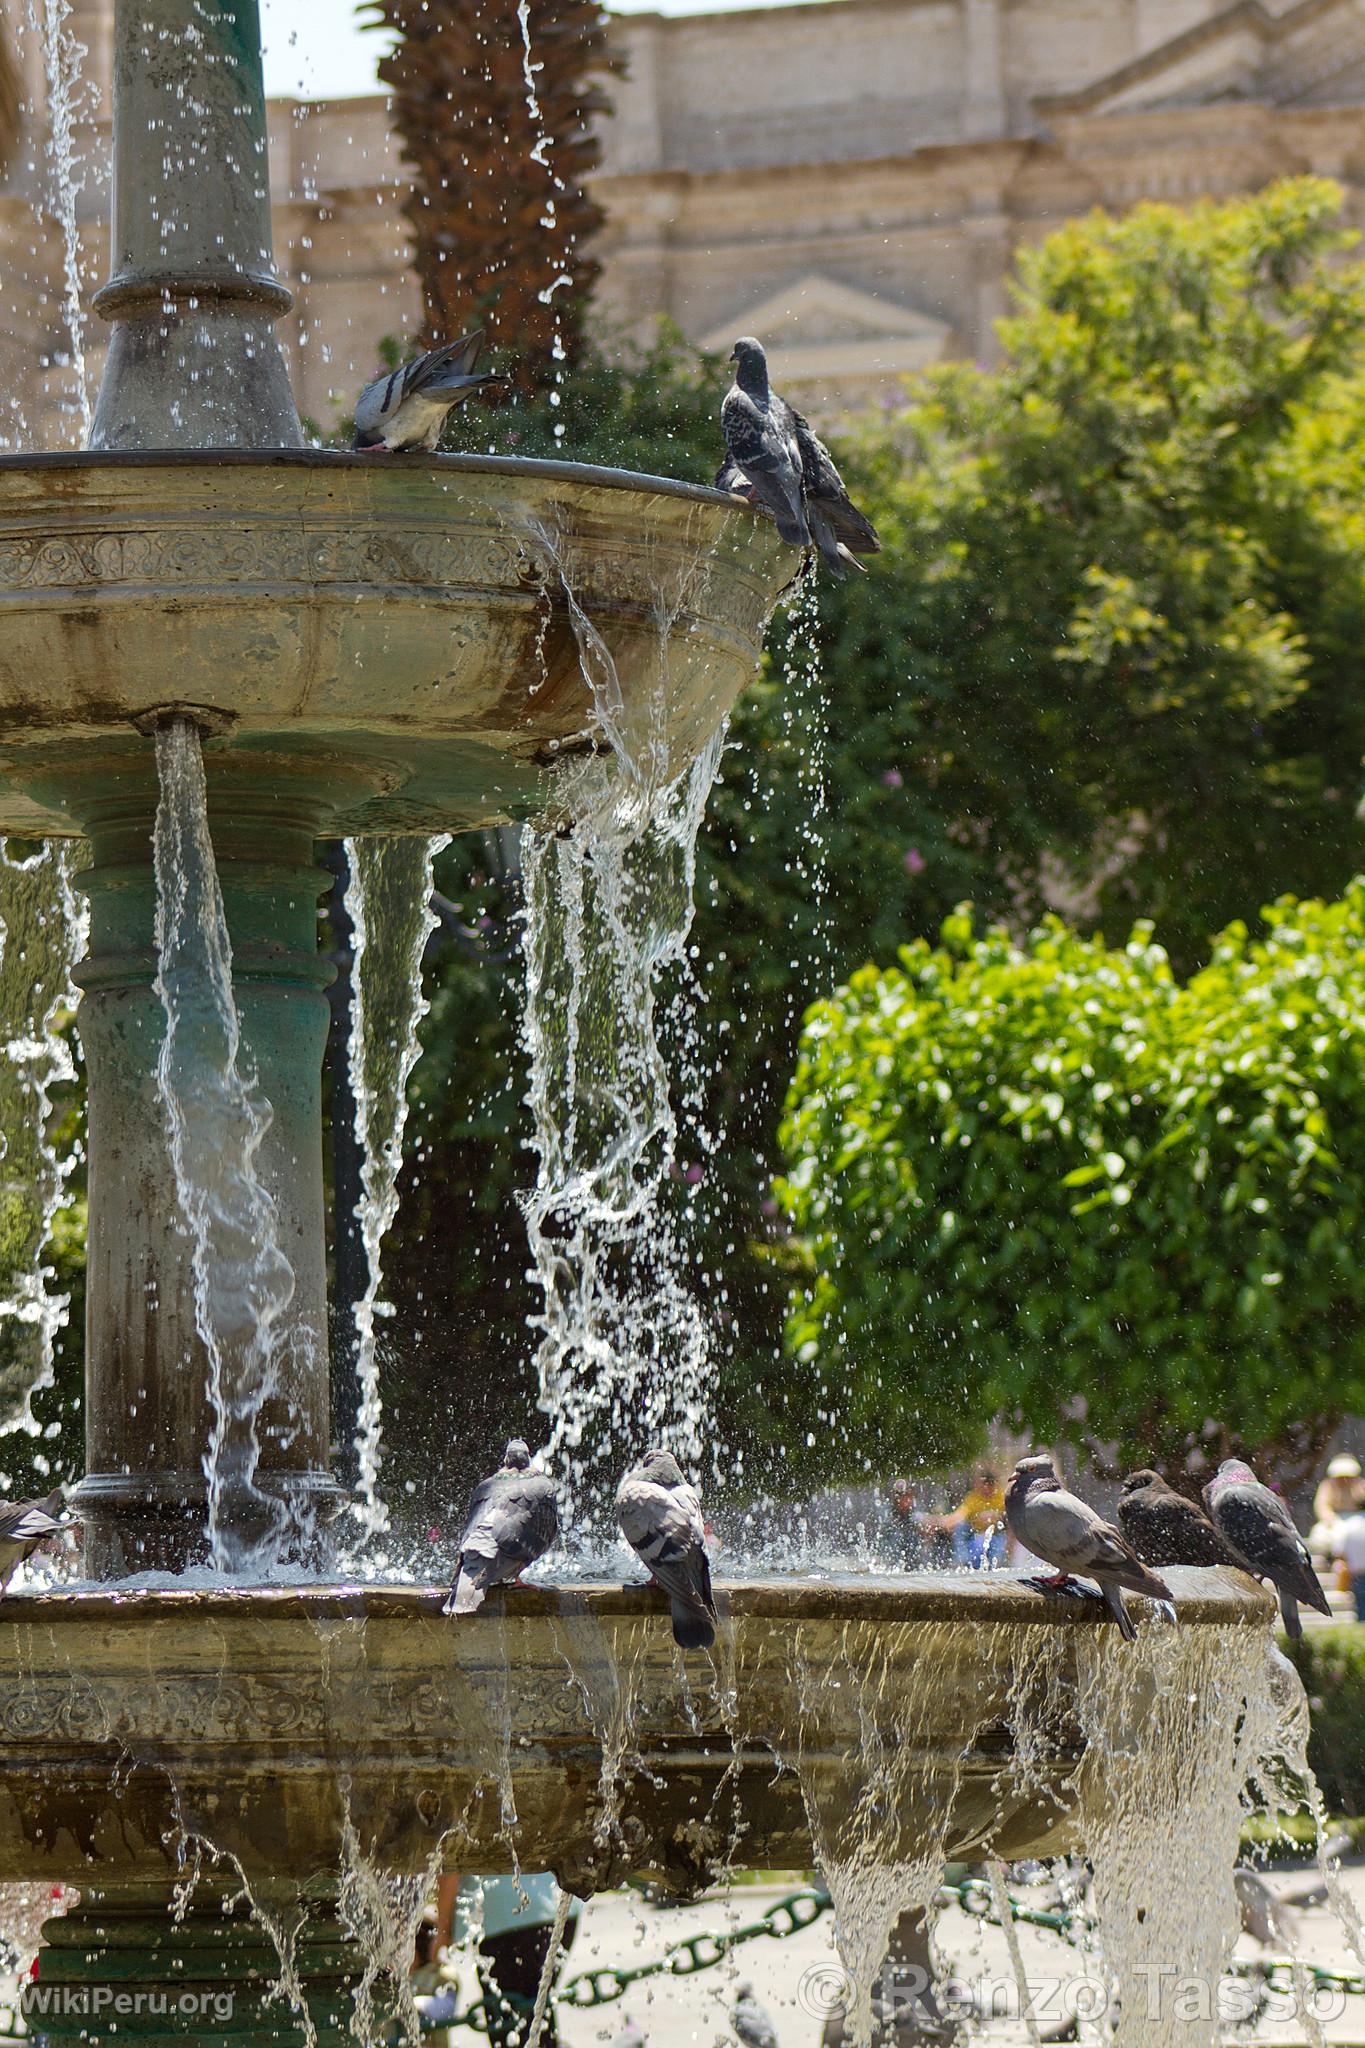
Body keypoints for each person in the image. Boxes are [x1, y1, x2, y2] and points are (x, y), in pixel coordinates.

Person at [433, 1871, 581, 2048]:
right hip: (557, 1905)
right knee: (535, 2018)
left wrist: (441, 1929)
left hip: (503, 1918)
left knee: (511, 2025)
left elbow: (450, 1865)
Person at [935, 1463, 1007, 1570]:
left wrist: (996, 1517)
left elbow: (1008, 1518)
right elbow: (959, 1516)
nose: (985, 1488)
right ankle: (961, 1561)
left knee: (1004, 1535)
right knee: (961, 1527)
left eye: (988, 1485)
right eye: (982, 1485)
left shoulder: (1002, 1497)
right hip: (975, 1536)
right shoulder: (973, 1498)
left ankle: (999, 1563)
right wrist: (940, 1522)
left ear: (993, 1485)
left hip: (996, 1536)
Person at [1311, 1454, 1362, 1566]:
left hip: (1358, 1519)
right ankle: (1332, 1558)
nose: (1344, 1479)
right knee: (1321, 1535)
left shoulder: (1360, 1485)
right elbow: (1322, 1505)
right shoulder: (1328, 1486)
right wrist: (1330, 1519)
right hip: (1335, 1519)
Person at [1332, 1483, 1365, 1623]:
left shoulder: (1348, 1525)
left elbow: (1339, 1552)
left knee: (1361, 1609)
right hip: (1358, 1574)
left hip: (1357, 1574)